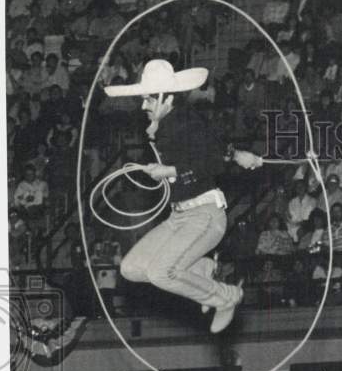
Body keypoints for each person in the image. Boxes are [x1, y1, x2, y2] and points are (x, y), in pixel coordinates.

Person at [106, 60, 265, 333]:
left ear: (166, 98)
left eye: (147, 99)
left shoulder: (183, 122)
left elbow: (211, 162)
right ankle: (201, 268)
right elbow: (213, 143)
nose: (143, 105)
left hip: (204, 215)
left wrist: (169, 169)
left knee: (160, 273)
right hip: (180, 216)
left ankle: (226, 297)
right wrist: (238, 154)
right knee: (131, 268)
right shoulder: (171, 122)